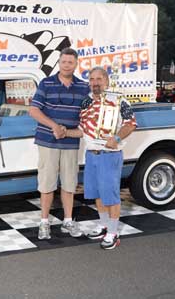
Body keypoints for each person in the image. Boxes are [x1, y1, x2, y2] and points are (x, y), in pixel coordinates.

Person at [65, 67, 137, 249]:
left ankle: (113, 232)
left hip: (109, 155)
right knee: (96, 192)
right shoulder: (86, 102)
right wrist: (65, 132)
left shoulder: (119, 100)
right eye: (92, 79)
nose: (95, 82)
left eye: (99, 79)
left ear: (106, 81)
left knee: (111, 195)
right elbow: (83, 130)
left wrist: (117, 138)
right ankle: (104, 224)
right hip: (91, 155)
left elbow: (131, 124)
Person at [29, 47, 90, 240]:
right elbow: (34, 111)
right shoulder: (46, 83)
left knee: (70, 183)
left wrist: (68, 131)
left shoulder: (83, 87)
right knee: (47, 183)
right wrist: (55, 126)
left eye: (70, 62)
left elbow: (88, 116)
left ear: (76, 64)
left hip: (71, 142)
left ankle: (68, 221)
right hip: (47, 141)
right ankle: (44, 222)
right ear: (59, 63)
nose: (66, 65)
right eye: (63, 62)